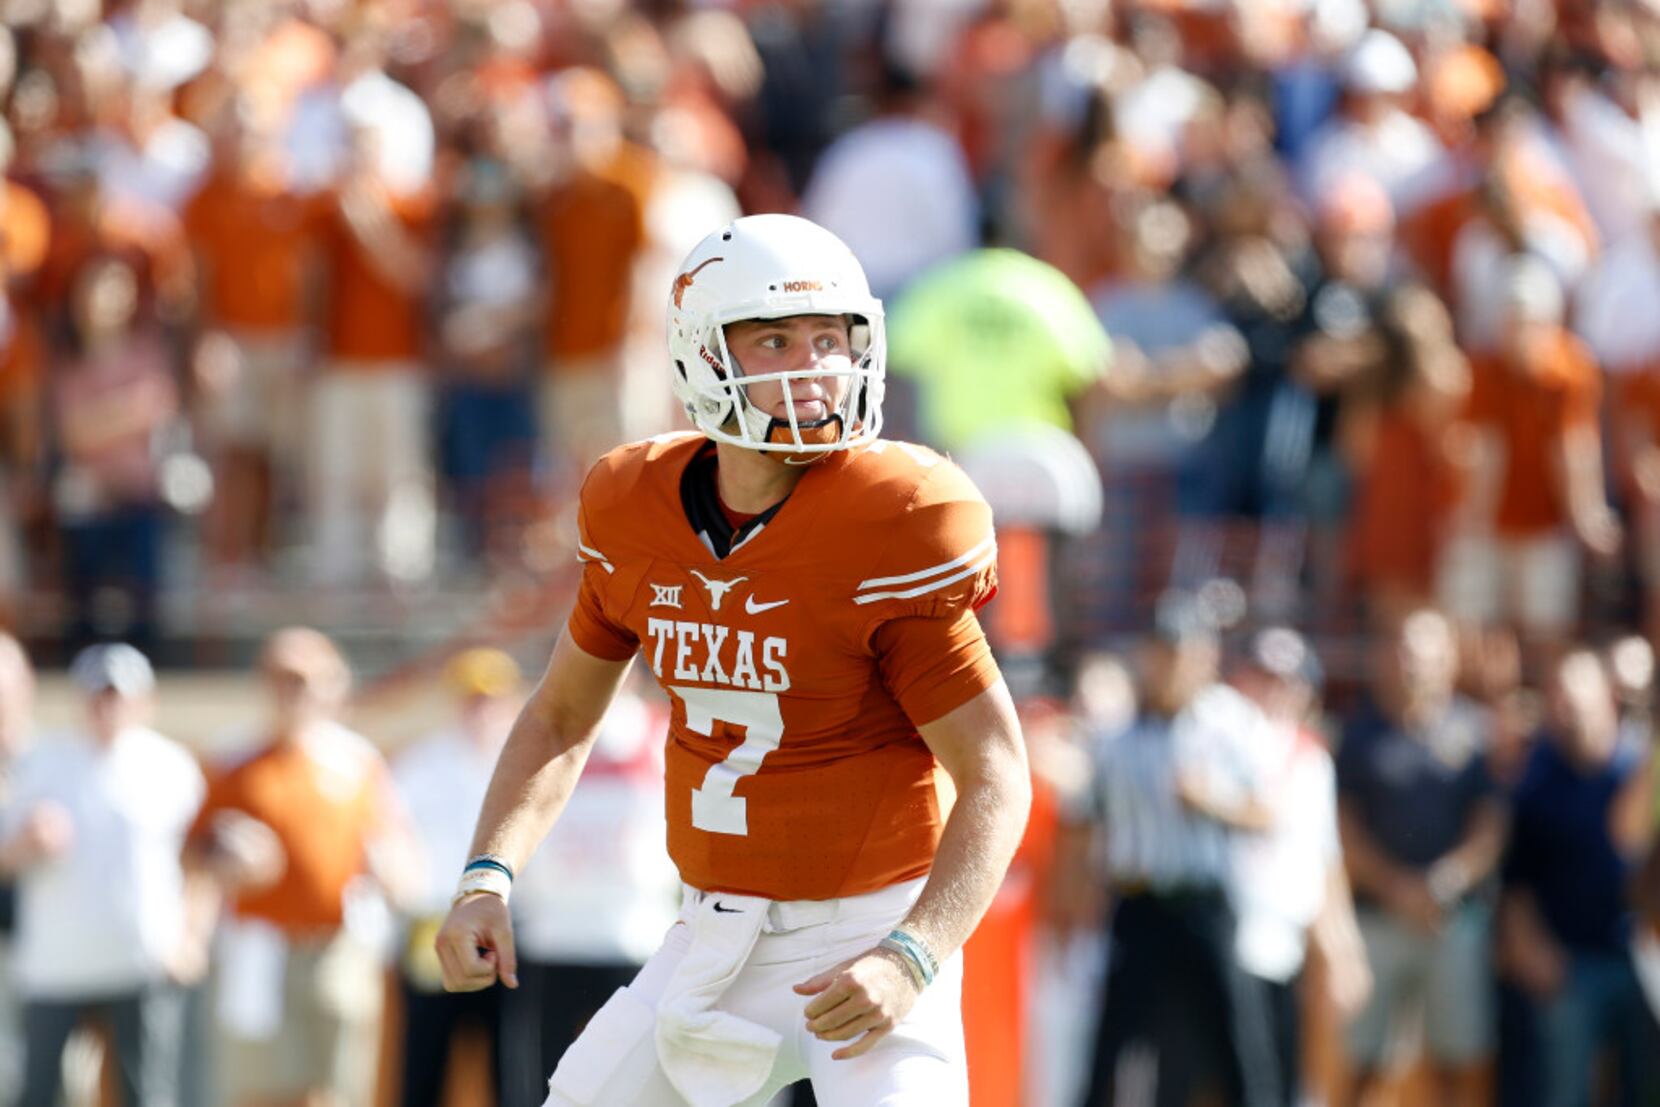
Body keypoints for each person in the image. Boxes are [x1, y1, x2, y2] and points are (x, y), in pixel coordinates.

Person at [434, 213, 1032, 1107]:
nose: (812, 366)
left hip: (873, 927)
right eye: (777, 339)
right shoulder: (633, 505)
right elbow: (561, 715)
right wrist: (487, 873)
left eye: (830, 339)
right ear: (700, 354)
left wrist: (914, 953)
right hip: (712, 927)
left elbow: (995, 772)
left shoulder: (895, 516)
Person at [1061, 598, 1284, 1107]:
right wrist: (1076, 909)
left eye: (1181, 654)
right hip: (1138, 904)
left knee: (1239, 1042)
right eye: (1162, 653)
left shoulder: (1230, 723)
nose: (1171, 666)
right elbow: (1084, 828)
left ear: (1203, 657)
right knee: (1111, 1046)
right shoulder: (1116, 735)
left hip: (1206, 904)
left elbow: (1268, 812)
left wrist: (1211, 801)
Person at [186, 627, 418, 1107]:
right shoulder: (233, 758)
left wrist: (393, 873)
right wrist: (225, 862)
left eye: (308, 679)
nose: (296, 692)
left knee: (335, 1090)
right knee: (259, 1089)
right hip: (258, 948)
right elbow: (192, 853)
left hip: (336, 946)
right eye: (283, 678)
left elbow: (397, 846)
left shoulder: (356, 760)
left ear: (335, 685)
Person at [0, 643, 205, 1107]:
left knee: (145, 1092)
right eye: (99, 695)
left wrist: (191, 934)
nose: (108, 707)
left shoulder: (173, 768)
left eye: (119, 696)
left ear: (145, 701)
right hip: (54, 967)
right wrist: (24, 845)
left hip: (142, 962)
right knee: (38, 1092)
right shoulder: (39, 763)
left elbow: (199, 863)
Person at [1336, 609, 1507, 1107]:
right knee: (1360, 1061)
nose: (1414, 664)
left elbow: (1491, 824)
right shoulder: (1359, 732)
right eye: (1405, 651)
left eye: (1426, 654)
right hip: (1375, 920)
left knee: (1460, 1062)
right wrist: (1395, 887)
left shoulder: (1476, 731)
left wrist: (1444, 882)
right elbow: (1343, 827)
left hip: (1450, 922)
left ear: (1448, 660)